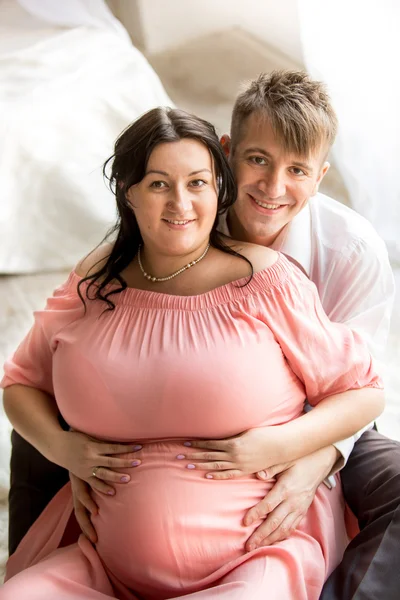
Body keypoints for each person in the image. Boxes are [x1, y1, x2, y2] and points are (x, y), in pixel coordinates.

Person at [0, 107, 384, 599]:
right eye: (159, 184)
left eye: (197, 183)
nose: (181, 203)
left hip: (253, 559)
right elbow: (21, 382)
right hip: (102, 564)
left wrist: (283, 445)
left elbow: (364, 390)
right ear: (128, 191)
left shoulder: (265, 278)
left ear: (217, 188)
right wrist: (62, 448)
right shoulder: (97, 279)